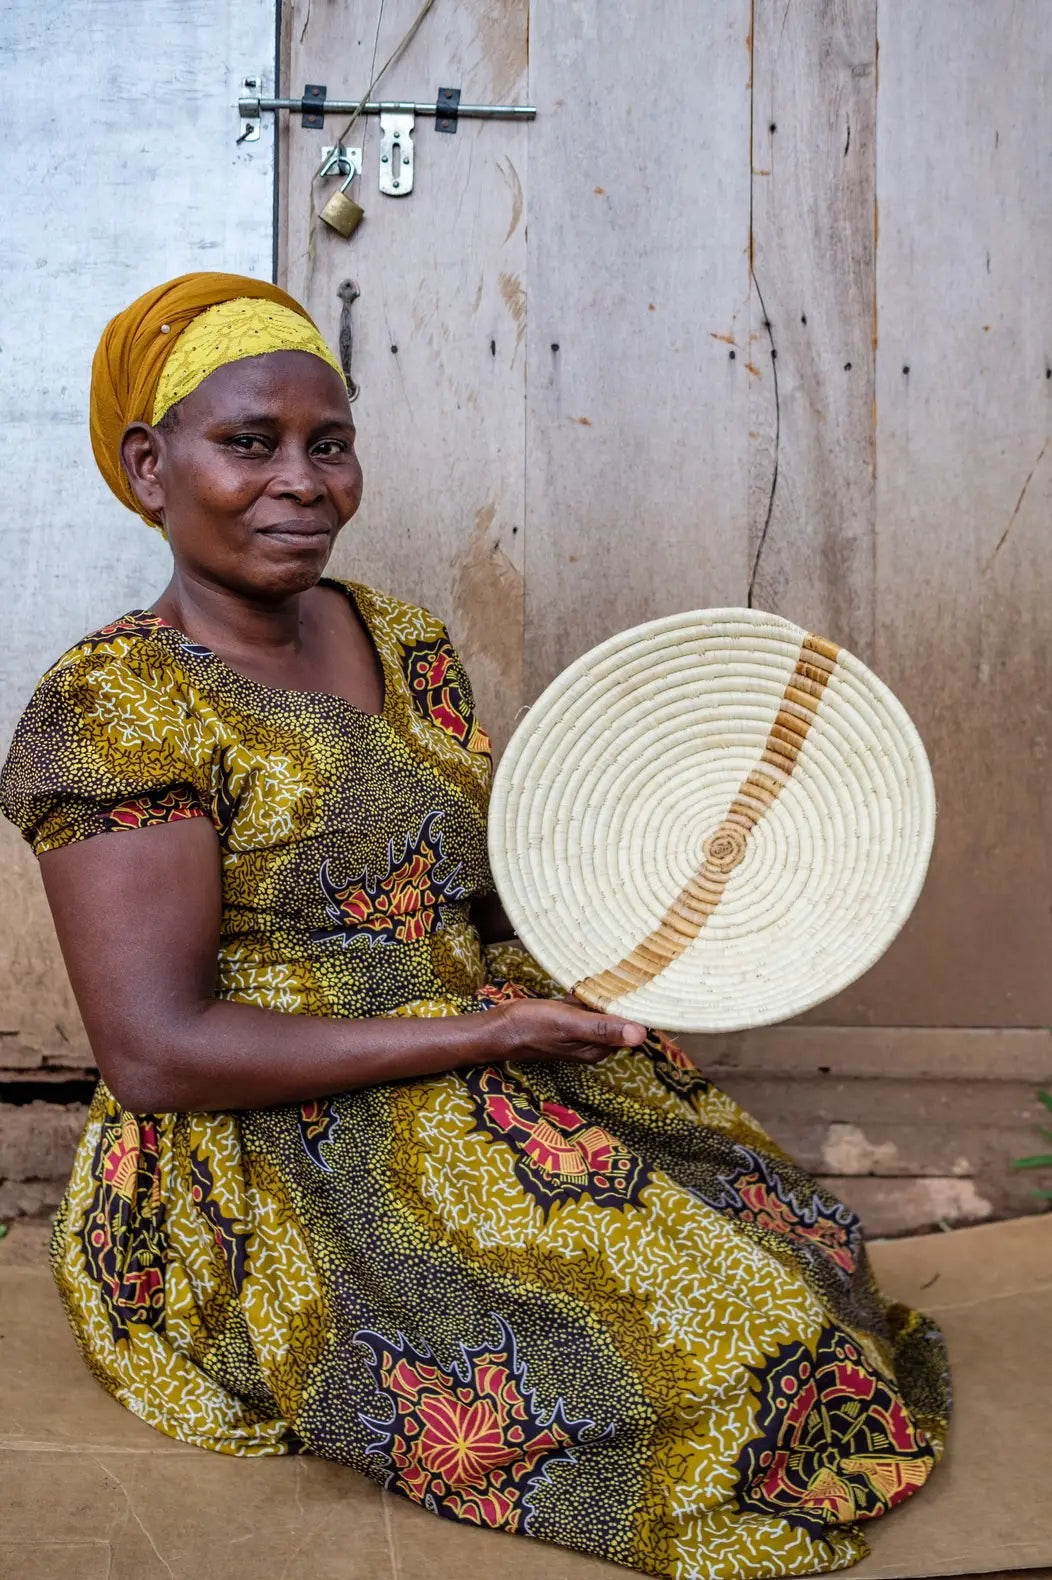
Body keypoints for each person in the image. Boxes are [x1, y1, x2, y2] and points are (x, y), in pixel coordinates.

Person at [0, 273, 949, 1580]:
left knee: (802, 1261)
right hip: (279, 1131)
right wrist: (483, 1033)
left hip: (475, 1045)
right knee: (721, 1358)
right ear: (149, 467)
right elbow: (157, 1053)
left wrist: (617, 953)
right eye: (249, 444)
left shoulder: (398, 637)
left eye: (329, 445)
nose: (300, 481)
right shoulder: (121, 707)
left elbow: (482, 883)